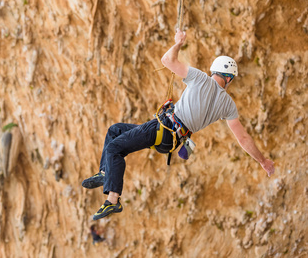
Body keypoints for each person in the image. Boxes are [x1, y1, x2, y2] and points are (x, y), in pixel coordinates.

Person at [82, 29, 275, 221]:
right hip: (172, 140)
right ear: (229, 78)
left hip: (163, 128)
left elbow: (167, 60)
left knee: (115, 148)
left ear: (214, 71)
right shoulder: (228, 105)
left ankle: (113, 199)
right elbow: (243, 138)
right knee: (115, 131)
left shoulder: (201, 78)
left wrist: (178, 43)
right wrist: (263, 161)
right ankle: (105, 172)